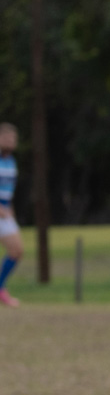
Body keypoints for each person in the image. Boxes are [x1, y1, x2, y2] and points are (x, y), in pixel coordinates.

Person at [0, 124, 22, 307]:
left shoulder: (11, 161)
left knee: (16, 251)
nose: (10, 142)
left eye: (13, 139)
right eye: (6, 138)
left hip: (5, 211)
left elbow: (8, 188)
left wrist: (9, 207)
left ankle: (0, 288)